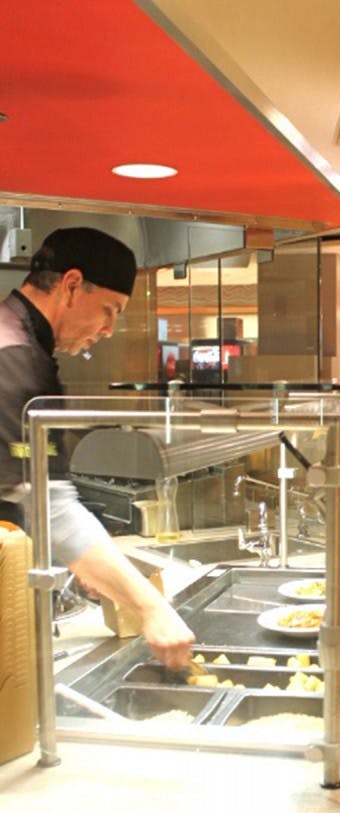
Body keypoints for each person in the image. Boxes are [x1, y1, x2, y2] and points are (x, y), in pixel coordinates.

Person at [0, 227, 195, 670]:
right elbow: (49, 506)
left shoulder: (19, 340)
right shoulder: (15, 357)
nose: (108, 330)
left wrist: (86, 562)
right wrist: (151, 607)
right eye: (109, 310)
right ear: (71, 285)